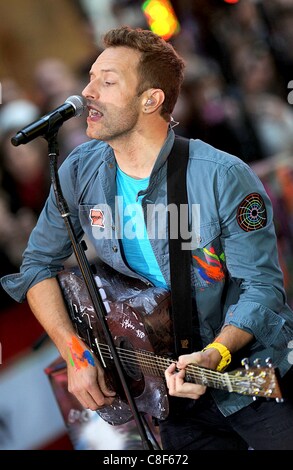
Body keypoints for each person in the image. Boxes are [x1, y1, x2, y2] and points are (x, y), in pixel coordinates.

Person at [1, 26, 293, 451]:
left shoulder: (221, 176)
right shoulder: (82, 170)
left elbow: (262, 289)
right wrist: (76, 354)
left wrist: (213, 355)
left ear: (151, 100)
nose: (87, 92)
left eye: (108, 81)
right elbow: (36, 267)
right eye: (91, 78)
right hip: (167, 399)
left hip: (250, 377)